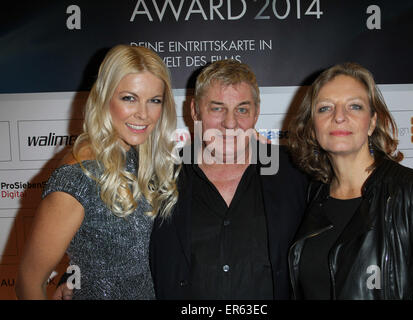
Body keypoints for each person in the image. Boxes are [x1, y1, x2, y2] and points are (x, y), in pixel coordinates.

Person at [15, 45, 179, 299]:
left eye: (154, 101)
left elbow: (101, 252)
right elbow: (28, 281)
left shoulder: (138, 157)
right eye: (129, 98)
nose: (144, 114)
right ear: (104, 98)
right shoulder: (77, 178)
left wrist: (74, 276)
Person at [288, 62, 413, 300]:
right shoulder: (313, 196)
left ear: (372, 122)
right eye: (325, 108)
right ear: (312, 127)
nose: (339, 117)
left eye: (354, 106)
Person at [149, 59, 309, 299]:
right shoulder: (160, 176)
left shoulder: (296, 171)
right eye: (217, 108)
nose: (230, 123)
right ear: (194, 111)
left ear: (256, 113)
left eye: (242, 109)